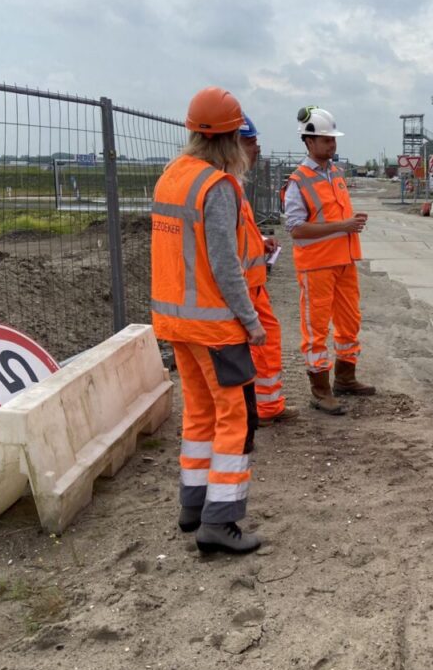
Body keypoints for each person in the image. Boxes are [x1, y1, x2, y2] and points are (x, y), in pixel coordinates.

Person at [150, 87, 264, 554]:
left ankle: (192, 506)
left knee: (199, 415)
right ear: (231, 137)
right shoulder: (218, 187)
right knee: (235, 419)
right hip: (216, 329)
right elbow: (224, 263)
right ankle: (219, 521)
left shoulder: (171, 177)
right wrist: (251, 321)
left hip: (176, 324)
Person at [283, 106, 375, 415]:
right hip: (317, 265)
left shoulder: (335, 174)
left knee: (350, 322)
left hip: (344, 261)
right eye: (325, 141)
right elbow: (296, 229)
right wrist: (342, 226)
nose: (332, 146)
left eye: (333, 140)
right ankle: (320, 391)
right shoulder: (298, 181)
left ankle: (345, 378)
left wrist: (351, 221)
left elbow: (333, 216)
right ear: (308, 142)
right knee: (316, 328)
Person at [238, 115, 297, 425]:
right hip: (240, 290)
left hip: (254, 284)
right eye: (250, 143)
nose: (256, 150)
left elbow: (235, 235)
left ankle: (269, 407)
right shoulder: (220, 187)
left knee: (268, 342)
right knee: (252, 350)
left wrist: (260, 241)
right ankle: (254, 413)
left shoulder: (232, 185)